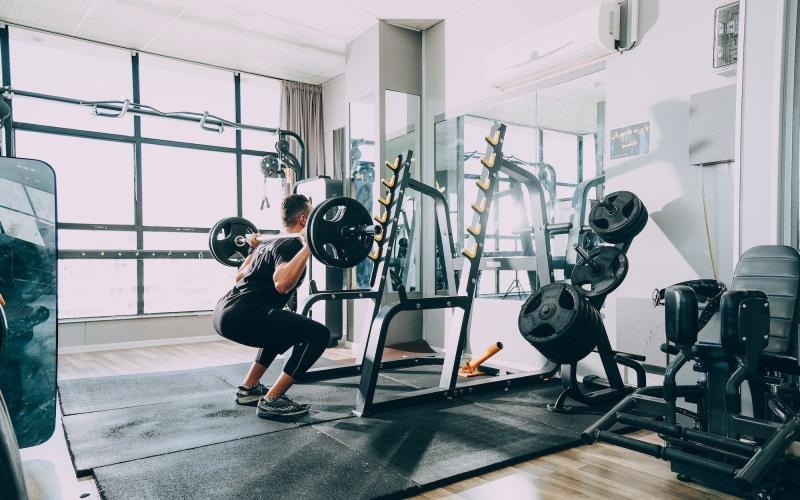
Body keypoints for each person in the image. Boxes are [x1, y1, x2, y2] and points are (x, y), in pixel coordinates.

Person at [212, 194, 330, 419]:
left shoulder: (268, 243)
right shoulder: (292, 245)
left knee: (279, 327)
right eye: (313, 215)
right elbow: (282, 284)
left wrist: (250, 249)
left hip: (224, 312)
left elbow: (239, 278)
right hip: (242, 314)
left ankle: (249, 388)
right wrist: (308, 247)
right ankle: (273, 399)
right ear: (305, 220)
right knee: (319, 335)